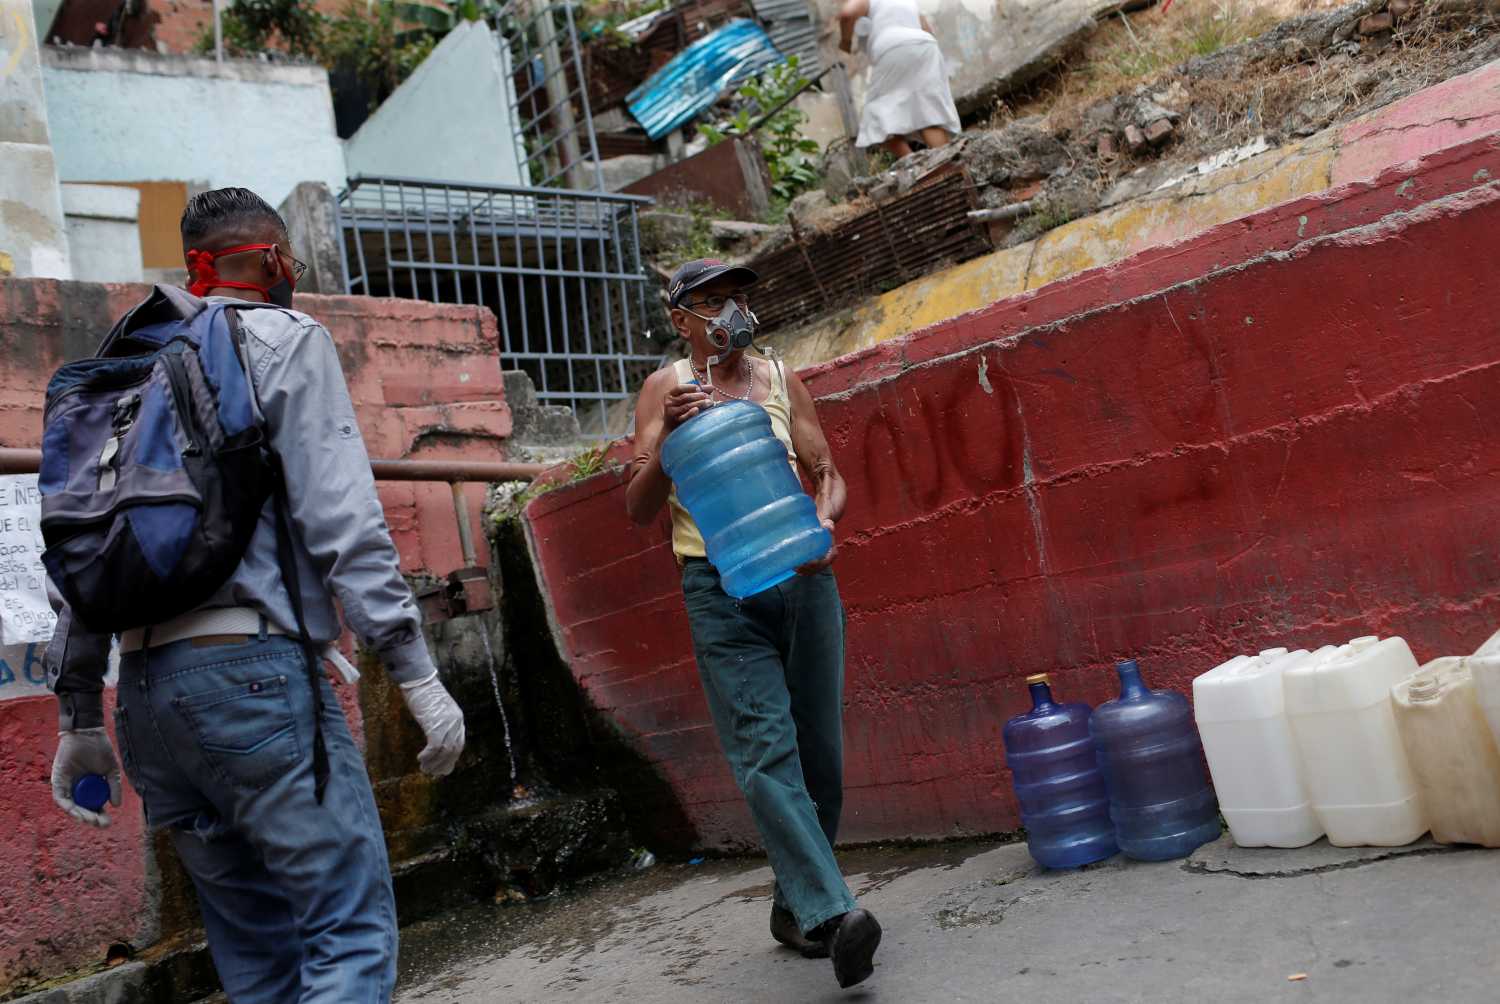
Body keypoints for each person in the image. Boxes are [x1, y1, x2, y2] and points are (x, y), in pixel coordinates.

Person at [45, 187, 467, 1004]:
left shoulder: (127, 369)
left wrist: (79, 719)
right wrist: (414, 671)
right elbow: (343, 517)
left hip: (144, 704)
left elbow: (83, 544)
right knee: (345, 930)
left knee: (257, 959)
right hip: (256, 681)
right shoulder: (282, 336)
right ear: (270, 260)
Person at [625, 259, 882, 989]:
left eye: (739, 297)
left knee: (821, 757)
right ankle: (836, 915)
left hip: (803, 580)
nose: (734, 311)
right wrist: (668, 448)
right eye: (714, 301)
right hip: (722, 586)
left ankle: (792, 907)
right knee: (766, 755)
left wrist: (824, 523)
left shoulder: (779, 376)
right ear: (681, 320)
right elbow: (637, 508)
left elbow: (826, 471)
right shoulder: (663, 391)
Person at [838, 0, 961, 159]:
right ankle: (948, 163)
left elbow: (847, 13)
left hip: (893, 47)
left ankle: (912, 164)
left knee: (876, 118)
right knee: (929, 112)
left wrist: (845, 42)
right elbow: (927, 29)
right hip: (926, 46)